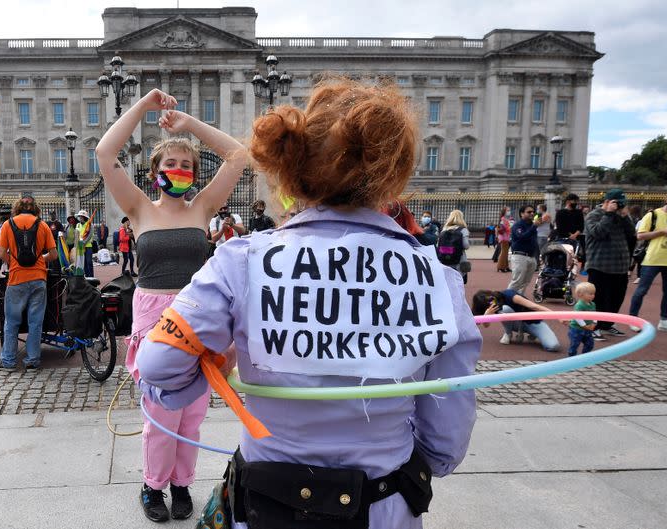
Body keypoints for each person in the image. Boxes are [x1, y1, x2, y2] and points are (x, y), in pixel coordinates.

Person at [136, 78, 480, 529]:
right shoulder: (437, 278)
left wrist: (204, 376)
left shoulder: (243, 260)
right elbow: (445, 443)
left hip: (264, 501)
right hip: (383, 506)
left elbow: (159, 364)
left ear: (292, 166)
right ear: (391, 171)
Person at [96, 88, 247, 523]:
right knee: (161, 412)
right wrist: (143, 106)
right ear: (155, 171)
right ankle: (153, 484)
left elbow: (237, 156)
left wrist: (190, 126)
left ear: (194, 174)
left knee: (193, 413)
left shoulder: (203, 207)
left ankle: (182, 484)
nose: (178, 169)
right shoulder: (139, 208)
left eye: (185, 164)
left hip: (197, 317)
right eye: (170, 163)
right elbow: (106, 155)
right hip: (154, 320)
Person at [0, 197, 57, 371]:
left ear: (17, 208)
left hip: (16, 279)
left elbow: (0, 253)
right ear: (35, 208)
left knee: (11, 322)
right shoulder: (43, 225)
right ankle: (32, 360)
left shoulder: (8, 224)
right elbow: (53, 255)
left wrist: (14, 262)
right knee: (35, 322)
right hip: (38, 278)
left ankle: (8, 361)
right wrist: (40, 259)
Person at [584, 189, 637, 340]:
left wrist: (625, 217)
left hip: (620, 266)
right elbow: (598, 232)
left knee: (616, 298)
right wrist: (608, 214)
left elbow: (632, 233)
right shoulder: (593, 215)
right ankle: (593, 326)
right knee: (597, 298)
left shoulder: (621, 216)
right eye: (616, 203)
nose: (619, 206)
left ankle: (607, 324)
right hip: (600, 264)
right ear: (607, 202)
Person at [628, 189, 667, 334]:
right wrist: (662, 232)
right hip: (653, 259)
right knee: (642, 290)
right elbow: (640, 236)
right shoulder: (653, 214)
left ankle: (664, 321)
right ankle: (633, 319)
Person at [472, 289, 561, 352]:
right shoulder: (489, 307)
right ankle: (508, 333)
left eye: (491, 300)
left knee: (553, 346)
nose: (491, 303)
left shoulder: (509, 295)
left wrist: (559, 316)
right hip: (515, 324)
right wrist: (486, 315)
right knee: (505, 310)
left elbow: (534, 306)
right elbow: (485, 324)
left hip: (532, 322)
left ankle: (533, 333)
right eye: (488, 304)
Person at [508, 204, 542, 296]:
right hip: (520, 256)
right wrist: (534, 227)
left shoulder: (532, 225)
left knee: (525, 282)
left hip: (531, 256)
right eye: (529, 212)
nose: (532, 213)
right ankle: (505, 299)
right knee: (517, 281)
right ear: (522, 214)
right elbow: (522, 237)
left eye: (532, 212)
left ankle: (519, 300)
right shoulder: (518, 225)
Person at [439, 209, 471, 283]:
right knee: (459, 280)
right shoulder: (463, 230)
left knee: (447, 280)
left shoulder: (444, 229)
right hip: (459, 258)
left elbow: (439, 244)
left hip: (444, 257)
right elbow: (466, 245)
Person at [568, 282, 596, 357]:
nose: (593, 296)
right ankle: (571, 358)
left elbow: (595, 315)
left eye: (593, 293)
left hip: (588, 328)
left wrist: (594, 323)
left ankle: (584, 357)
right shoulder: (579, 305)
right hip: (576, 329)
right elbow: (577, 317)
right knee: (574, 344)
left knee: (590, 344)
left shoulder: (592, 304)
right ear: (581, 294)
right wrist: (584, 326)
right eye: (590, 294)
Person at [556, 193, 584, 262]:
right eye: (574, 201)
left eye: (577, 201)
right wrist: (570, 235)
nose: (576, 203)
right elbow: (560, 227)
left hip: (577, 238)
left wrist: (575, 235)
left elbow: (581, 226)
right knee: (563, 258)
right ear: (568, 201)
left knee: (576, 258)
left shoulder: (579, 212)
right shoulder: (560, 212)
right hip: (563, 238)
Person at [75, 210, 95, 278]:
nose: (80, 218)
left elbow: (90, 235)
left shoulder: (90, 224)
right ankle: (86, 276)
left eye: (81, 216)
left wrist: (84, 242)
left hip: (88, 246)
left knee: (89, 262)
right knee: (83, 262)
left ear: (84, 217)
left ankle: (91, 276)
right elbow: (77, 235)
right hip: (80, 247)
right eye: (79, 216)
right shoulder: (78, 225)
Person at [496, 206, 512, 272]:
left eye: (509, 210)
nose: (509, 212)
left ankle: (506, 266)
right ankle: (500, 266)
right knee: (504, 253)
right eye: (507, 210)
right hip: (503, 237)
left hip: (506, 237)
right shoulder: (503, 219)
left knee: (505, 252)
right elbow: (504, 228)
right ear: (504, 212)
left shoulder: (506, 219)